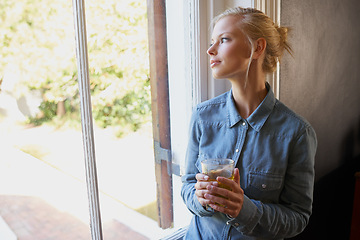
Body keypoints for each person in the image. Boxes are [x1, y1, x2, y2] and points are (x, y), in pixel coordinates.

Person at [181, 6, 317, 240]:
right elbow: (187, 185)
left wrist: (244, 209)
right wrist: (199, 198)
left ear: (258, 48)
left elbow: (298, 218)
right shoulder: (202, 117)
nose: (210, 50)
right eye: (213, 41)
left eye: (223, 40)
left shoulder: (297, 133)